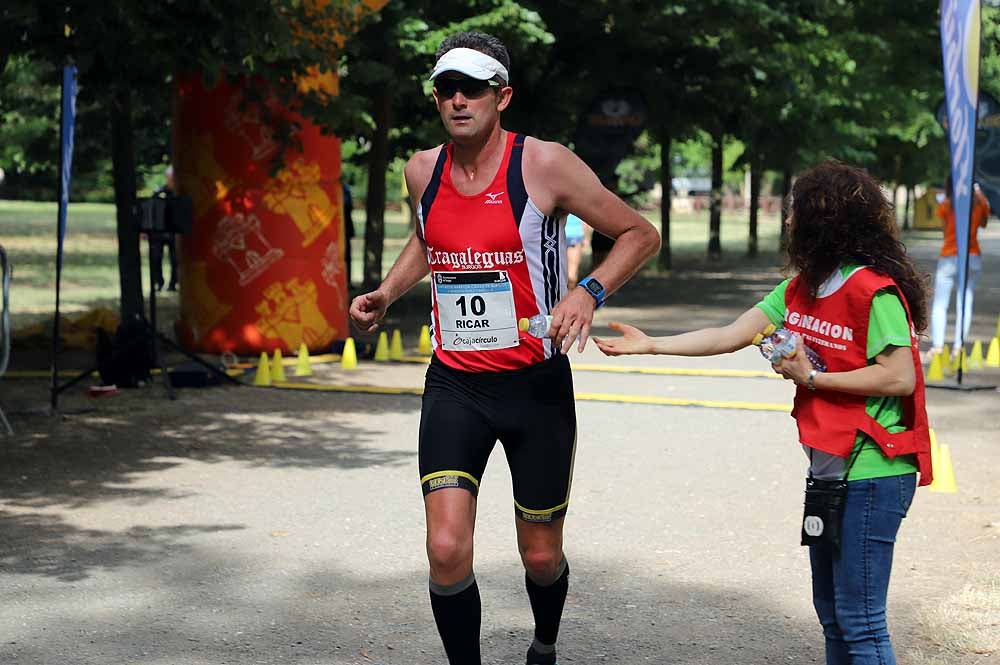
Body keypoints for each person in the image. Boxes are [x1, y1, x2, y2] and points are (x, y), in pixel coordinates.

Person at [349, 31, 659, 665]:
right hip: (456, 383)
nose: (457, 100)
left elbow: (638, 232)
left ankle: (543, 644)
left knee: (541, 555)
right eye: (445, 89)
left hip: (534, 386)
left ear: (503, 96)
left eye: (472, 89)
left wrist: (588, 292)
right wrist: (387, 292)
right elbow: (429, 239)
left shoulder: (543, 165)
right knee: (444, 548)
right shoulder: (420, 170)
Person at [595, 160, 932, 665]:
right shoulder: (804, 288)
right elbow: (730, 335)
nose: (789, 222)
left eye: (798, 213)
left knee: (861, 621)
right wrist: (650, 346)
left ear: (825, 222)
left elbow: (900, 376)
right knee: (833, 615)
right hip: (831, 469)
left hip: (875, 469)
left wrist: (813, 379)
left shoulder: (871, 290)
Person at [930, 177, 990, 358]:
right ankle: (959, 347)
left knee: (940, 303)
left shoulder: (947, 204)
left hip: (949, 254)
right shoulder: (979, 205)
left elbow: (944, 230)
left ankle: (938, 347)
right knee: (965, 300)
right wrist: (979, 196)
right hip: (972, 256)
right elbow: (984, 224)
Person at [150, 165, 179, 291]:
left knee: (175, 259)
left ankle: (173, 283)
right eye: (170, 178)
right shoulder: (159, 193)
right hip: (159, 232)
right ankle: (158, 282)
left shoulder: (180, 194)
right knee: (156, 257)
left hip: (175, 232)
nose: (171, 180)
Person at [564, 213, 589, 289]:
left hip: (575, 236)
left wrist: (586, 237)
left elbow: (585, 218)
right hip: (557, 237)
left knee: (571, 275)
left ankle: (570, 297)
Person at [342, 179, 354, 288]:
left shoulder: (343, 188)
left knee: (346, 256)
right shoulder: (344, 188)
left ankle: (347, 281)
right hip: (341, 228)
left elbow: (348, 205)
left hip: (345, 227)